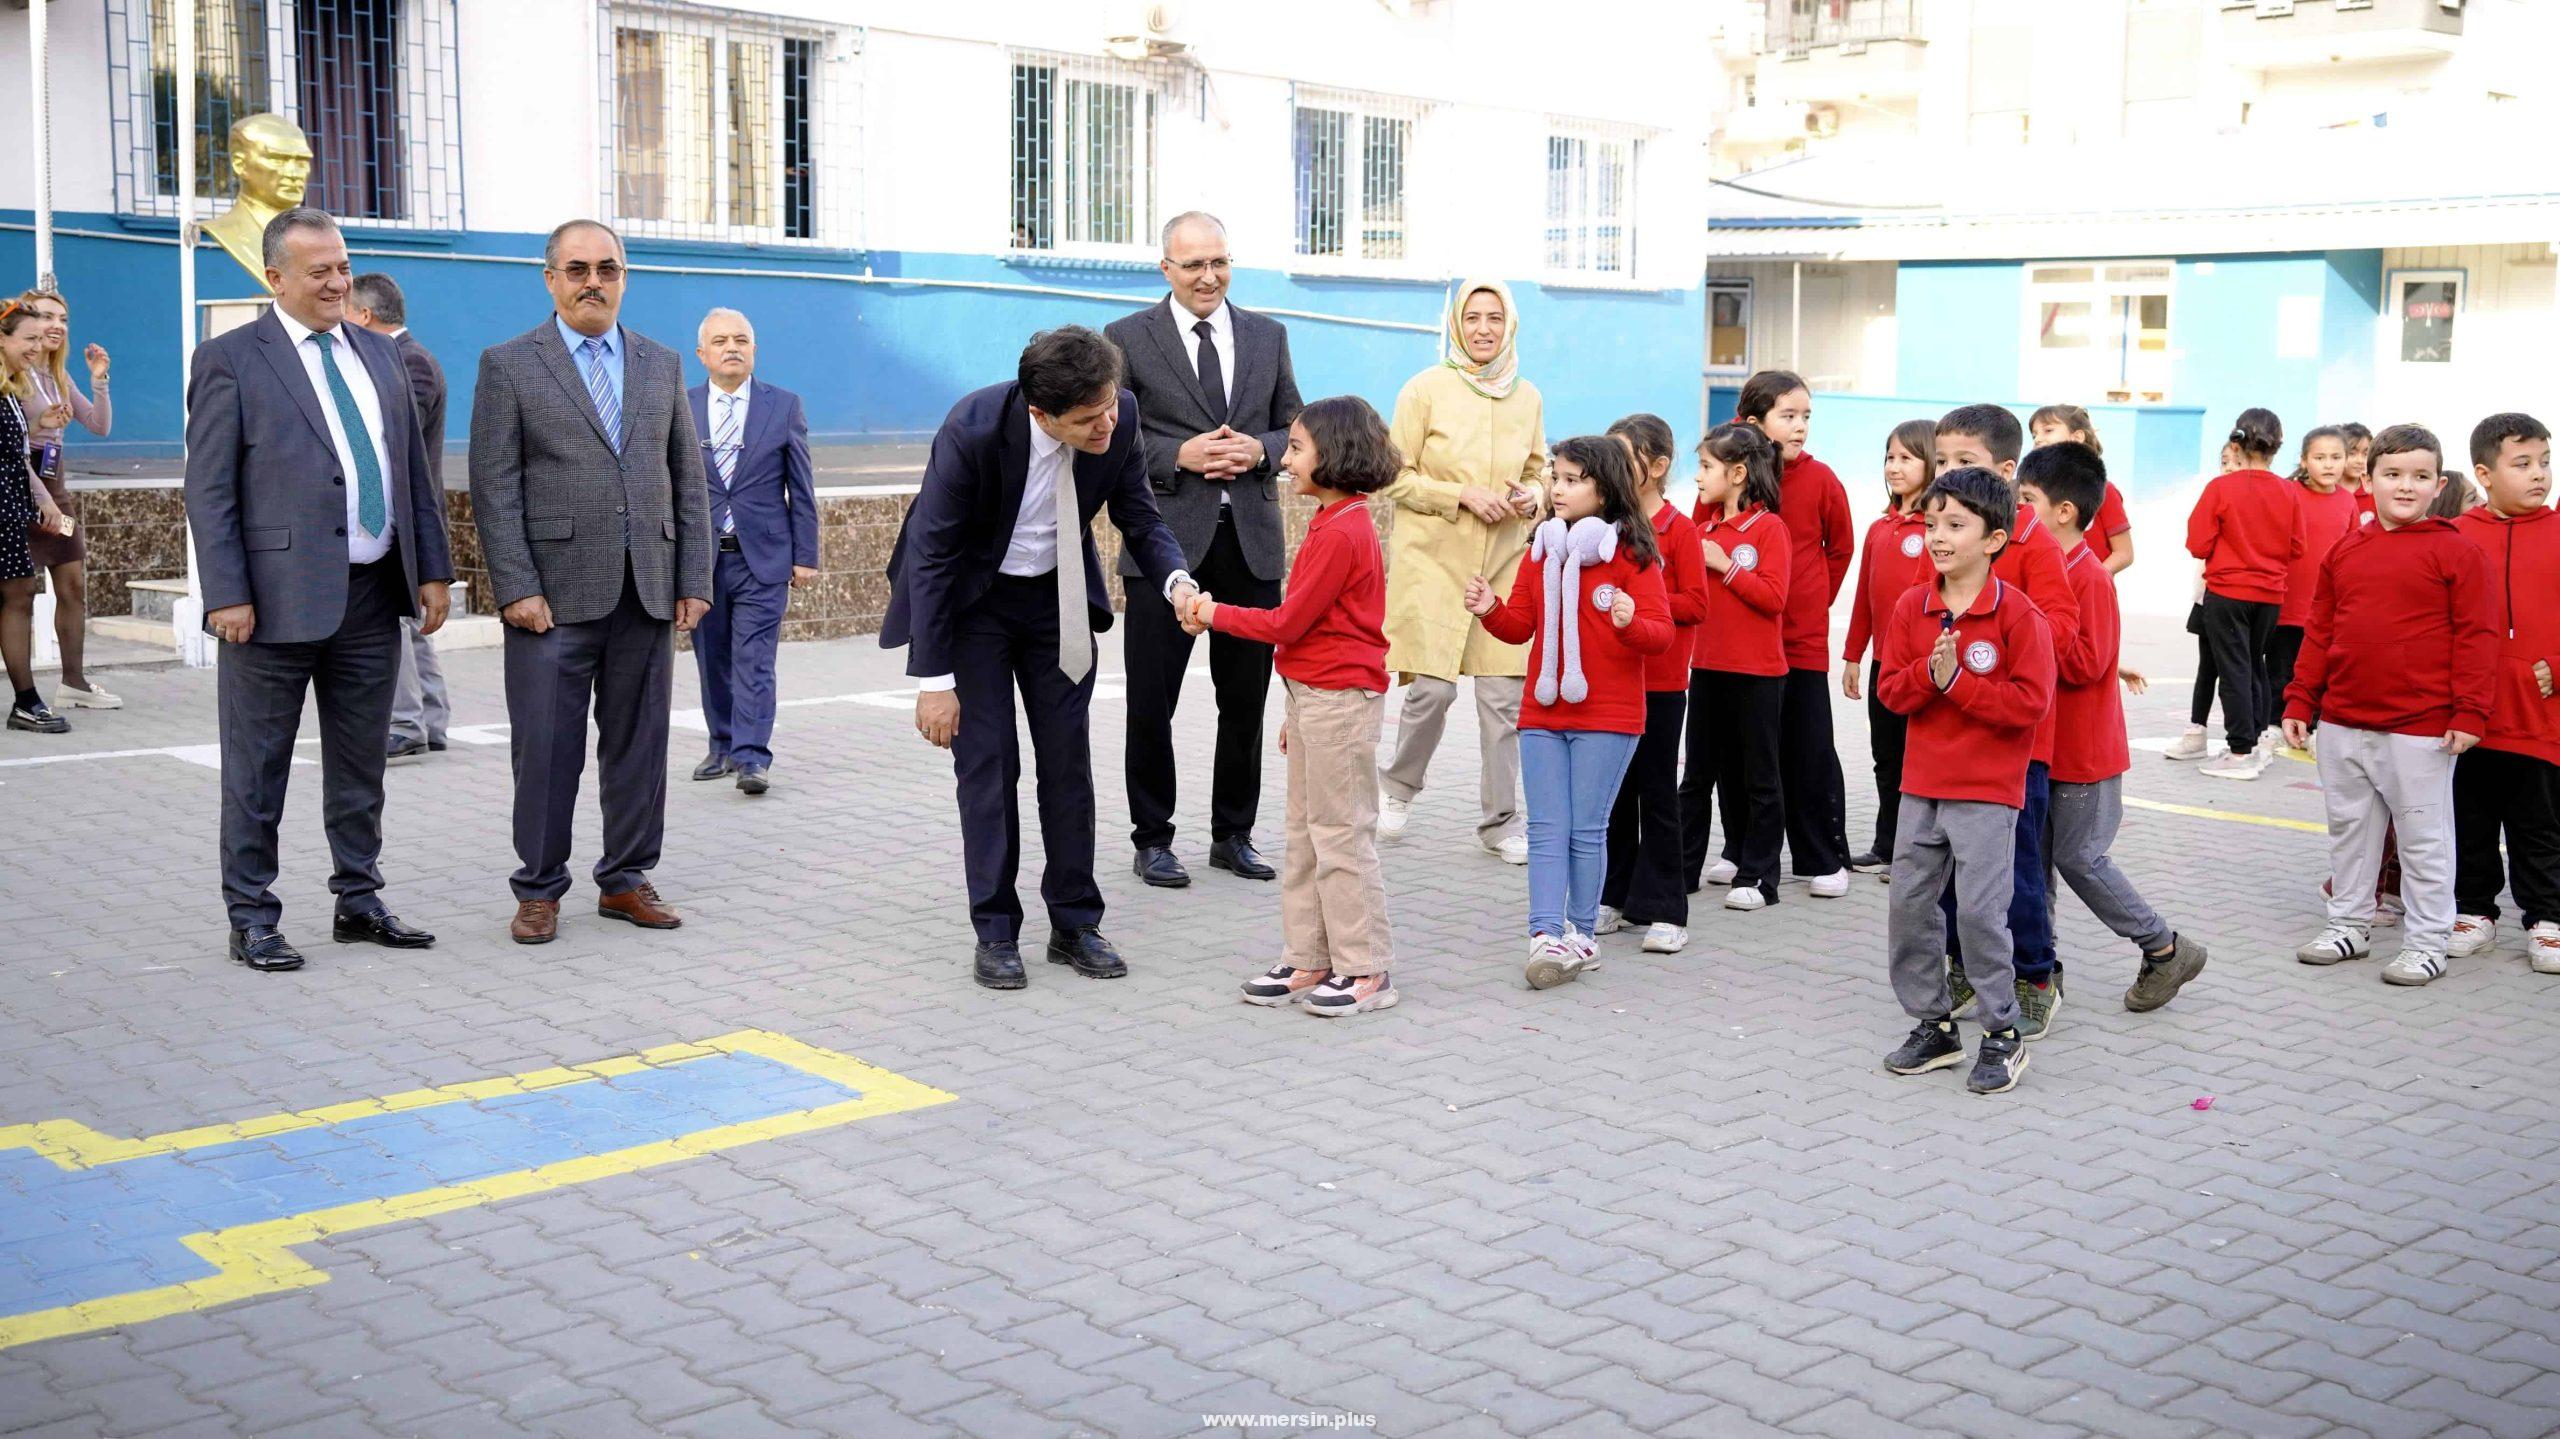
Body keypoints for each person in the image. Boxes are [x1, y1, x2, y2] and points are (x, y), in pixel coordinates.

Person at [881, 326, 1196, 991]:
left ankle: (1075, 922)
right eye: (1088, 419)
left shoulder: (1121, 414)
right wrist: (934, 681)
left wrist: (1176, 582)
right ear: (1040, 412)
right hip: (975, 603)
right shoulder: (971, 428)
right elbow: (932, 556)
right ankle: (995, 930)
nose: (1107, 423)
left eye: (1110, 406)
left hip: (1056, 603)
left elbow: (1139, 516)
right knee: (989, 764)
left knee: (1067, 764)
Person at [182, 207, 455, 971]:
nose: (338, 282)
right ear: (276, 278)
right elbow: (209, 489)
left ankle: (359, 898)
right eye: (319, 271)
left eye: (342, 266)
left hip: (371, 596)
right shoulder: (230, 358)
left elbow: (411, 474)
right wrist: (225, 591)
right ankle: (252, 915)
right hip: (268, 604)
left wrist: (432, 569)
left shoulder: (381, 354)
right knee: (258, 766)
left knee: (361, 761)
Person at [469, 220, 712, 945]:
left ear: (624, 277)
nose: (592, 282)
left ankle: (626, 878)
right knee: (546, 748)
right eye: (577, 269)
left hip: (646, 586)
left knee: (639, 744)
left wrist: (692, 576)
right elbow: (493, 485)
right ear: (551, 280)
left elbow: (686, 480)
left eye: (607, 268)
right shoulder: (510, 364)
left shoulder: (660, 363)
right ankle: (539, 887)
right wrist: (515, 585)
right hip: (551, 596)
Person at [1106, 212, 1302, 887]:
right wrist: (1177, 454)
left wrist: (1260, 451)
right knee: (1150, 703)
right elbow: (1108, 434)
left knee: (1244, 699)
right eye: (1193, 265)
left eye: (1218, 261)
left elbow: (1293, 428)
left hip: (1250, 546)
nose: (1208, 276)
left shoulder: (1266, 335)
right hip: (1165, 550)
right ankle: (1153, 837)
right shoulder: (1127, 338)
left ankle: (1233, 833)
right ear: (1167, 269)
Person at [1190, 397, 1394, 1015]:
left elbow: (1288, 622)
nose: (1284, 455)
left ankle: (1366, 968)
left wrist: (1210, 612)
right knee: (1306, 836)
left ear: (1336, 456)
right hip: (1316, 699)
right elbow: (1313, 633)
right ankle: (1309, 956)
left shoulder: (1345, 529)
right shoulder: (1332, 521)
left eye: (1299, 447)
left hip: (1339, 702)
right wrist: (1297, 707)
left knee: (1341, 837)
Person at [2285, 423, 2497, 987]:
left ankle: (2429, 942)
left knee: (2425, 839)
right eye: (2393, 474)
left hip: (2420, 730)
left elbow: (2478, 637)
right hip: (2344, 722)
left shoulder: (2457, 551)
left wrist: (2470, 712)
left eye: (2420, 476)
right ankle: (2349, 926)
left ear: (2439, 483)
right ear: (2369, 477)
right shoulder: (2345, 551)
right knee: (2349, 833)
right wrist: (2301, 699)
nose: (2406, 486)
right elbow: (2320, 628)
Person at [1462, 436, 1671, 990]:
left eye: (1574, 478)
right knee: (1547, 830)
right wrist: (1490, 610)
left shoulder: (1633, 553)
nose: (1558, 488)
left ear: (1604, 487)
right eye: (1556, 476)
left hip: (1609, 715)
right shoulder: (1543, 549)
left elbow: (1662, 635)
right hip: (1542, 710)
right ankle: (1544, 934)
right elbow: (1520, 627)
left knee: (1586, 830)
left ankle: (1581, 933)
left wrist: (1629, 620)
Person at [1876, 466, 2054, 1097]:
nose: (1939, 537)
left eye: (1956, 525)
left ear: (1995, 538)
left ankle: (2002, 1033)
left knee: (1980, 915)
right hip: (1921, 788)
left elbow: (2029, 707)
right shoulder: (1911, 605)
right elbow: (1891, 692)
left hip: (1987, 792)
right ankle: (1934, 1024)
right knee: (1910, 909)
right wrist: (1931, 675)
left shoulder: (2020, 616)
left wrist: (1960, 685)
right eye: (1931, 524)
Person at [2016, 443, 2210, 1011]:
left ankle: (2165, 948)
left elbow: (2086, 663)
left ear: (2064, 512)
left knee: (2080, 859)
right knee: (2036, 865)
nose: (2017, 510)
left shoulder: (2089, 577)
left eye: (2026, 500)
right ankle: (2038, 971)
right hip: (2044, 748)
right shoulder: (2046, 567)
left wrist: (2026, 634)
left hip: (2085, 754)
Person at [1377, 279, 1547, 863]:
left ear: (1510, 326)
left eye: (1494, 318)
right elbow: (1391, 474)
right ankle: (1397, 788)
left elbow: (1541, 469)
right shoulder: (1425, 389)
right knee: (1431, 690)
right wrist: (1461, 495)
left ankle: (1501, 823)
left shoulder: (1527, 396)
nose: (1482, 329)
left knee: (1503, 699)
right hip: (1434, 564)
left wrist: (1533, 495)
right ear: (1456, 324)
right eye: (1472, 317)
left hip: (1501, 564)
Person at [1933, 404, 2077, 1041]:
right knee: (1946, 869)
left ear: (2006, 471)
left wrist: (1994, 637)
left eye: (1965, 462)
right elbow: (1921, 619)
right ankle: (1964, 963)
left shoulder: (2033, 545)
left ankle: (2034, 976)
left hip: (2016, 745)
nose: (1948, 474)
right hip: (1946, 739)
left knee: (2016, 871)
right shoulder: (1944, 538)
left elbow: (2062, 636)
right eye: (1942, 462)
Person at [686, 307, 817, 796]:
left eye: (741, 339)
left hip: (763, 557)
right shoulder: (681, 406)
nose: (732, 348)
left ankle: (752, 758)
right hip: (702, 560)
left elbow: (801, 487)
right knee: (711, 657)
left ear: (754, 350)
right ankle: (721, 744)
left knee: (755, 659)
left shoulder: (783, 406)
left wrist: (806, 555)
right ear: (703, 354)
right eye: (720, 341)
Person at [1733, 370, 1854, 896]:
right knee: (1744, 750)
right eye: (1788, 416)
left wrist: (1811, 599)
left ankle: (1821, 858)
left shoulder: (1822, 479)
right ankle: (1741, 852)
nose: (1801, 426)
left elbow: (1841, 548)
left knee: (1808, 750)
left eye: (1806, 416)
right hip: (1742, 644)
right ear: (1753, 422)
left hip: (1800, 642)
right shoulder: (1732, 475)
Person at [2448, 413, 2560, 972]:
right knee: (2469, 819)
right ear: (2484, 474)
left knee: (2539, 824)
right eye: (2523, 464)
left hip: (2541, 720)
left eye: (2544, 461)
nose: (2539, 474)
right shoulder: (2458, 537)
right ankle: (2473, 912)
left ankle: (2547, 920)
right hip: (2471, 715)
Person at [1596, 414, 1707, 953]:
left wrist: (1645, 605)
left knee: (1658, 794)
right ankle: (1614, 898)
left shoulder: (1679, 530)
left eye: (1626, 455)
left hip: (1661, 683)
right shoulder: (1604, 528)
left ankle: (1667, 908)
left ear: (1658, 467)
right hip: (1612, 682)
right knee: (1615, 795)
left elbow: (1696, 603)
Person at [1686, 423, 1794, 915]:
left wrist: (1725, 565)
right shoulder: (1701, 529)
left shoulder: (1770, 528)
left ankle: (1759, 876)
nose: (1699, 477)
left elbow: (1774, 598)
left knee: (1759, 779)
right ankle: (1681, 871)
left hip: (1757, 674)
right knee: (1697, 776)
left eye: (1706, 467)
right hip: (1707, 668)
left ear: (1738, 473)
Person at [347, 273, 452, 763]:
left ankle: (407, 724)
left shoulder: (410, 363)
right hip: (398, 517)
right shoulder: (401, 358)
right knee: (411, 623)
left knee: (396, 622)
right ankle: (430, 720)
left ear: (365, 315)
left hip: (404, 518)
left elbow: (386, 438)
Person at [2183, 408, 2306, 780]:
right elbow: (2297, 546)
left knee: (2233, 668)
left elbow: (2197, 542)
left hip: (2228, 591)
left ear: (2235, 444)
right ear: (2277, 446)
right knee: (2254, 664)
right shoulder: (2289, 491)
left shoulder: (2221, 488)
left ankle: (2239, 751)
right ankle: (2254, 738)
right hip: (2270, 593)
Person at [1841, 419, 1936, 875]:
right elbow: (1864, 596)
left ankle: (1916, 851)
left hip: (1921, 664)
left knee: (1917, 758)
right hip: (1883, 663)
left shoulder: (1936, 527)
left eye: (1906, 458)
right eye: (1889, 457)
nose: (1894, 467)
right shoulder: (1881, 528)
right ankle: (1887, 841)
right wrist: (1852, 656)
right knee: (1886, 758)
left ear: (1932, 463)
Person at [16, 289, 117, 710]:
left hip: (56, 485)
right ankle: (26, 694)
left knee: (72, 582)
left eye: (62, 318)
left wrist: (98, 379)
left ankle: (74, 683)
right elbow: (13, 440)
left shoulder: (59, 374)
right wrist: (39, 422)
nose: (55, 325)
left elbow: (99, 425)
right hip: (21, 486)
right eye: (44, 316)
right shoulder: (13, 372)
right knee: (17, 594)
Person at [2264, 425, 2359, 746]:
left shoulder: (2348, 502)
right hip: (2286, 601)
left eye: (2336, 457)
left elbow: (2352, 552)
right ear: (2304, 461)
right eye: (2320, 457)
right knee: (2281, 668)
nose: (2329, 464)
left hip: (2326, 606)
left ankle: (2315, 726)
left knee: (2321, 670)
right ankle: (2274, 724)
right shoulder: (2290, 494)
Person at [0, 302, 70, 734]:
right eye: (27, 339)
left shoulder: (13, 390)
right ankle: (26, 700)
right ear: (2, 339)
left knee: (21, 594)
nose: (35, 347)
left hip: (9, 506)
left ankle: (26, 701)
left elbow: (19, 458)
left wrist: (42, 499)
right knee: (17, 595)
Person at [199, 113, 314, 284]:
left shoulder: (317, 237)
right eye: (278, 160)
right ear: (240, 164)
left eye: (301, 161)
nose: (293, 173)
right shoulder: (226, 233)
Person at [2028, 404, 2135, 575]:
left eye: (2048, 430)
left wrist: (2093, 577)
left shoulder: (2104, 490)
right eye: (2034, 434)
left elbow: (2124, 553)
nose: (2038, 439)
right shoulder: (2035, 493)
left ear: (2077, 436)